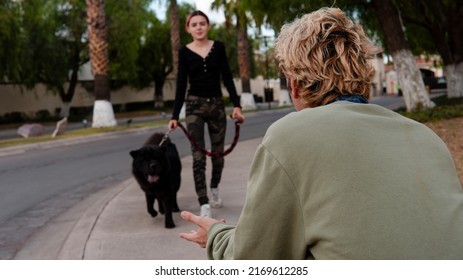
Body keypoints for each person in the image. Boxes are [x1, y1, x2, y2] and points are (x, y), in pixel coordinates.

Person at [178, 7, 463, 259]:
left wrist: (216, 235)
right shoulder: (426, 137)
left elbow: (255, 258)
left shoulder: (288, 137)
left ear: (295, 85)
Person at [168, 10, 245, 218]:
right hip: (194, 107)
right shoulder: (184, 52)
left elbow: (227, 78)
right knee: (198, 157)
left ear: (208, 26)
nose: (199, 27)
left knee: (218, 156)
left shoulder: (218, 48)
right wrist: (175, 115)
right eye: (194, 24)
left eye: (202, 23)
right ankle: (203, 201)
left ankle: (214, 188)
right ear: (188, 29)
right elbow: (181, 84)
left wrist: (236, 105)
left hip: (217, 106)